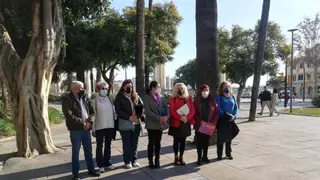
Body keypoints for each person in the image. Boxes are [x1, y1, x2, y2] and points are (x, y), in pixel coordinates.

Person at [62, 81, 100, 180]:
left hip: (86, 129)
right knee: (76, 152)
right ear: (75, 89)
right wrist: (82, 122)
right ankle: (75, 174)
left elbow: (92, 112)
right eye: (81, 88)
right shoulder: (67, 99)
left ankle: (91, 170)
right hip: (76, 130)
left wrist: (89, 121)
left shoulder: (85, 98)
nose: (83, 89)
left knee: (88, 151)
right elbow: (69, 115)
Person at [114, 79, 144, 169]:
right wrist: (129, 117)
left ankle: (134, 160)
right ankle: (127, 161)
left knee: (135, 143)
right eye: (128, 87)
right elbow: (118, 111)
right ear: (123, 87)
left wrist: (137, 116)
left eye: (131, 87)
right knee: (127, 144)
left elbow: (142, 107)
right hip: (125, 124)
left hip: (136, 123)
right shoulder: (119, 97)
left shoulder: (136, 96)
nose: (129, 88)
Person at [91, 82, 117, 173]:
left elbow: (113, 112)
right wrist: (93, 129)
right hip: (100, 126)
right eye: (103, 88)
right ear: (98, 89)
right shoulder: (94, 101)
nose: (105, 90)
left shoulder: (109, 99)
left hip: (110, 126)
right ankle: (100, 165)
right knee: (99, 146)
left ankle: (108, 163)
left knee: (108, 145)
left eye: (106, 89)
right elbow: (93, 115)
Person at [143, 81, 169, 169]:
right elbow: (147, 111)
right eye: (158, 86)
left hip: (160, 124)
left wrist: (166, 116)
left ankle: (157, 160)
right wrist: (158, 118)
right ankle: (150, 160)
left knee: (158, 143)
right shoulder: (146, 97)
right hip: (151, 124)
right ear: (153, 88)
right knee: (151, 143)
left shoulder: (161, 97)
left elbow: (166, 107)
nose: (159, 88)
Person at [168, 83, 195, 165]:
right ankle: (176, 156)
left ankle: (181, 157)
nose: (180, 89)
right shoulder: (173, 99)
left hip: (185, 122)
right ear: (175, 89)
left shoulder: (188, 98)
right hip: (176, 123)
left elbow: (193, 110)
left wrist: (187, 118)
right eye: (178, 88)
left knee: (183, 141)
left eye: (182, 88)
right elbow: (172, 111)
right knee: (176, 141)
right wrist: (180, 117)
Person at [194, 84, 219, 165]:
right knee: (199, 142)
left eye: (207, 90)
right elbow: (194, 112)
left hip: (208, 125)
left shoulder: (212, 101)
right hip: (200, 124)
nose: (205, 92)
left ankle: (205, 156)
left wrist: (212, 123)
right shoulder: (197, 100)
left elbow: (216, 112)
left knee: (206, 141)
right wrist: (199, 121)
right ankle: (199, 157)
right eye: (204, 90)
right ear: (201, 91)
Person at [216, 81, 239, 161]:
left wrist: (234, 116)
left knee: (229, 137)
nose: (227, 88)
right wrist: (225, 115)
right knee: (221, 138)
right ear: (222, 88)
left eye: (228, 86)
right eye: (225, 86)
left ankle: (228, 153)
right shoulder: (219, 97)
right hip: (223, 119)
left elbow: (236, 107)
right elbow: (218, 108)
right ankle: (219, 154)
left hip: (231, 120)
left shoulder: (232, 97)